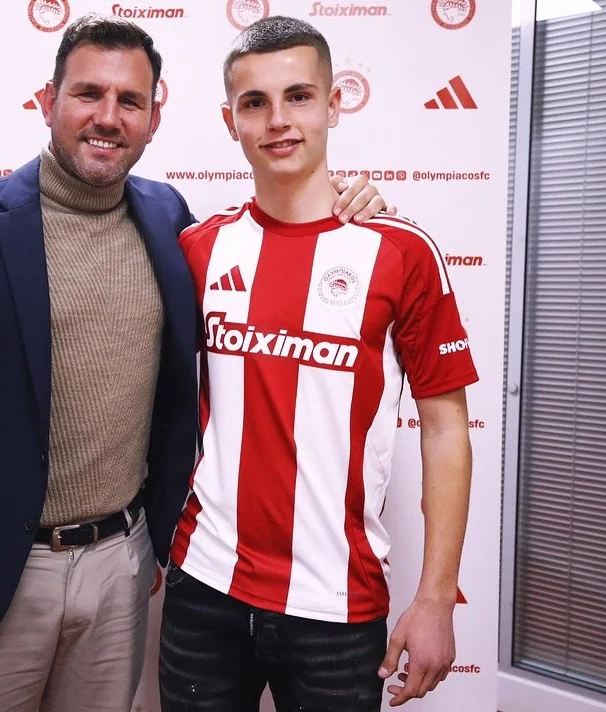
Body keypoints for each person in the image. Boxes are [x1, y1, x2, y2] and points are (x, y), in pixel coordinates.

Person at [0, 13, 388, 712]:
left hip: (122, 563)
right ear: (47, 101)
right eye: (88, 93)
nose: (108, 117)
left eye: (130, 101)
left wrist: (351, 207)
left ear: (153, 119)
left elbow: (278, 247)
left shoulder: (168, 218)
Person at [159, 15, 478, 712]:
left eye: (298, 96)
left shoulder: (401, 252)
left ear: (333, 105)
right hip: (205, 588)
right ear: (229, 121)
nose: (278, 120)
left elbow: (445, 427)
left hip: (339, 606)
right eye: (255, 102)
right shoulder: (198, 249)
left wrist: (435, 599)